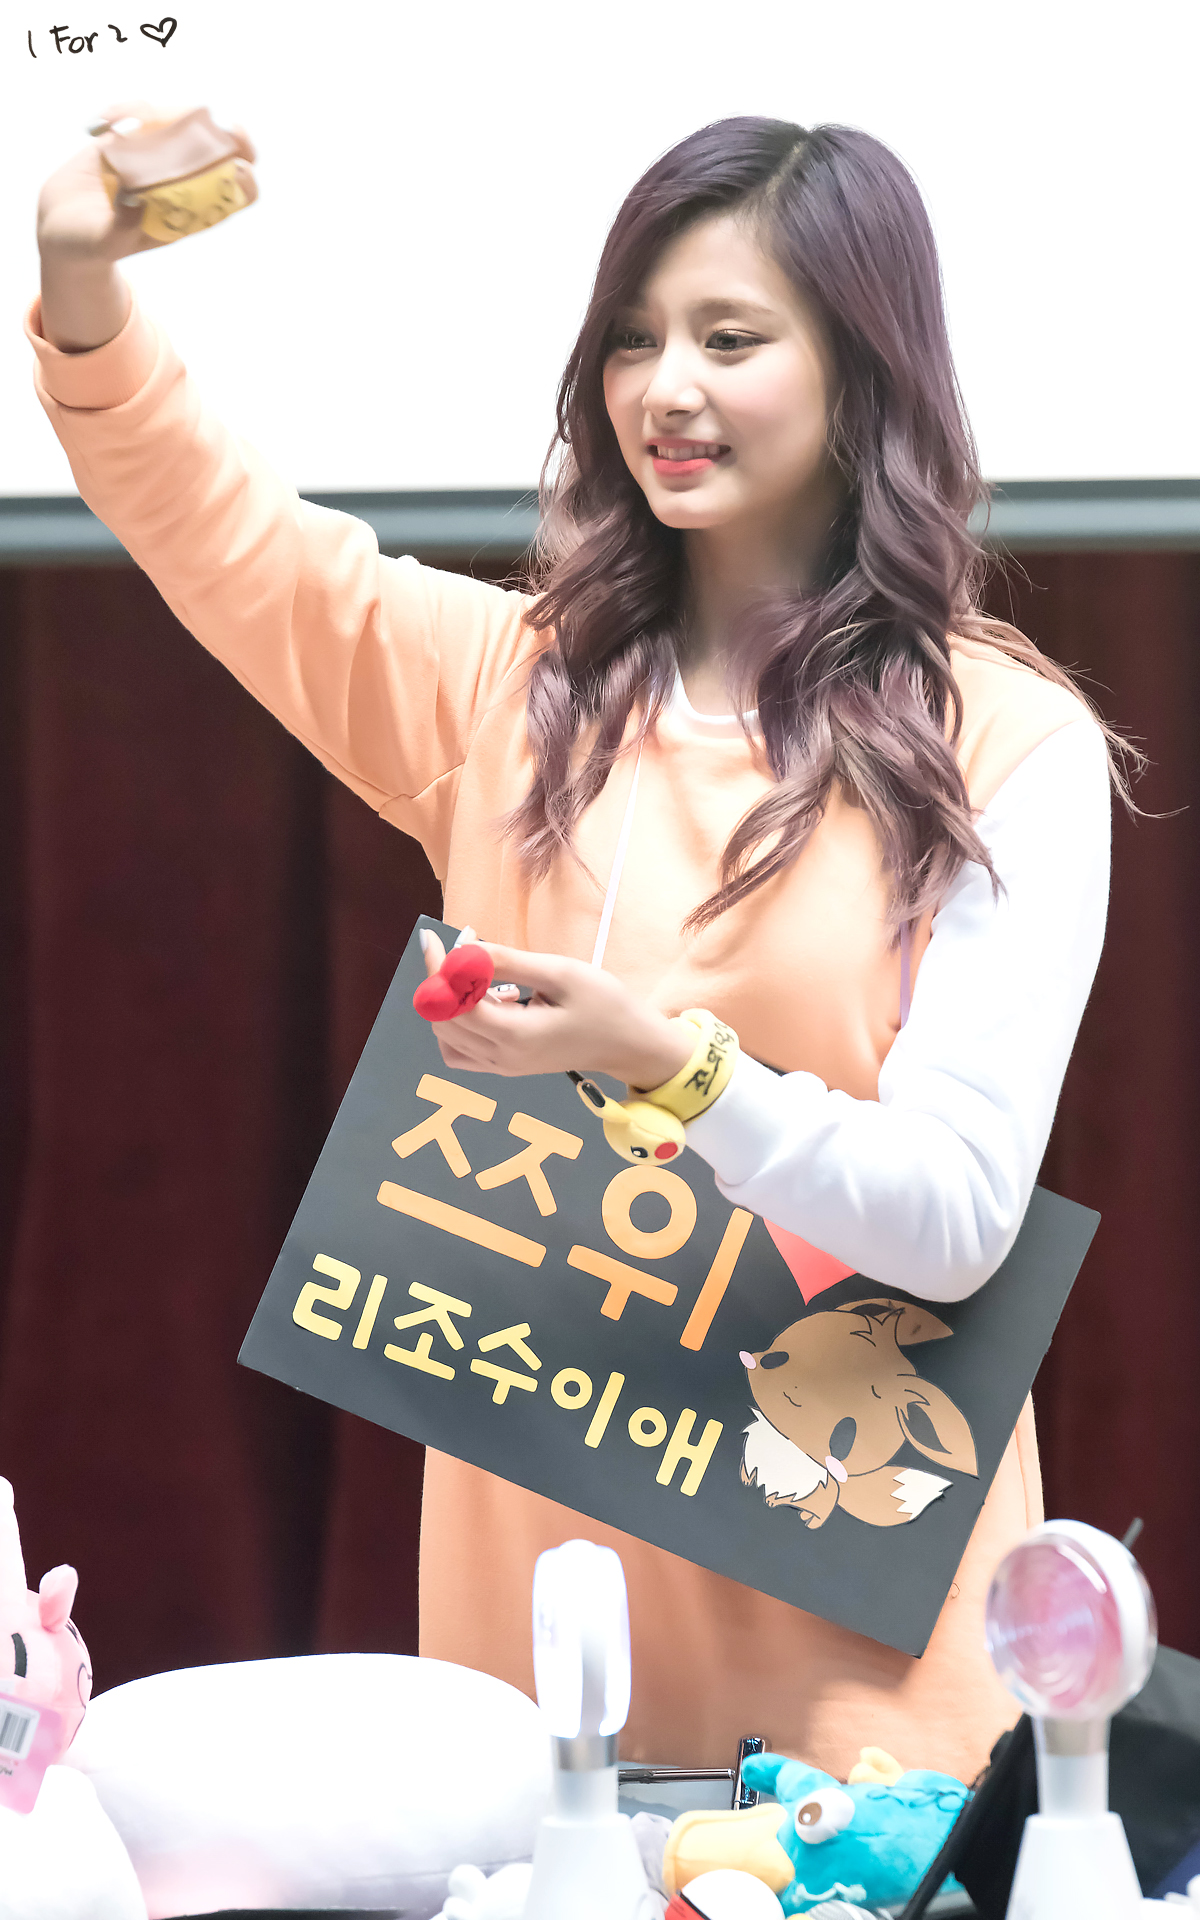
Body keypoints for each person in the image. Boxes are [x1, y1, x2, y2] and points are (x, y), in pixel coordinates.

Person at [31, 108, 1118, 1781]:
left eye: (731, 340)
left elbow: (959, 1217)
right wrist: (80, 282)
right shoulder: (514, 695)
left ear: (864, 369)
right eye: (632, 340)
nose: (665, 388)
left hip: (864, 1710)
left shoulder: (1004, 746)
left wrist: (668, 1067)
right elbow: (222, 531)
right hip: (539, 1680)